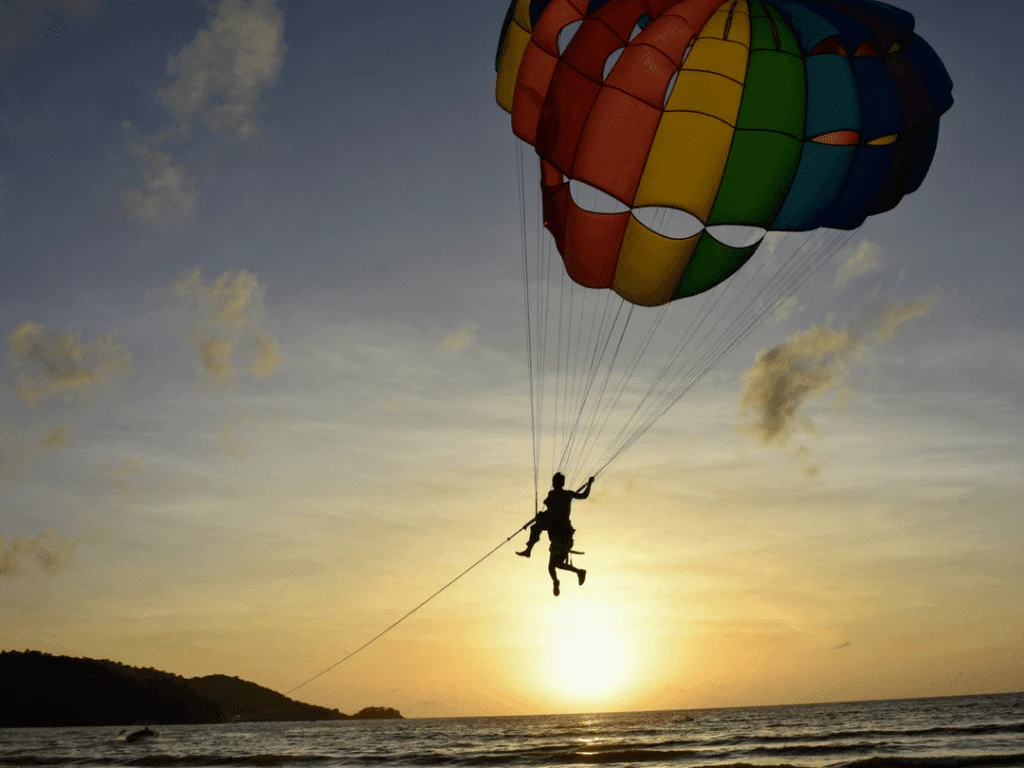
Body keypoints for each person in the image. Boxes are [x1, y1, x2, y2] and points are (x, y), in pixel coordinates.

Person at [517, 472, 594, 596]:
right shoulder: (566, 494)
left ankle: (577, 572)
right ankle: (560, 577)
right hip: (558, 530)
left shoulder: (555, 494)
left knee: (553, 565)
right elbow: (583, 495)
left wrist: (541, 515)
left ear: (554, 483)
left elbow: (552, 509)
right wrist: (589, 484)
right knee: (552, 565)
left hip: (561, 533)